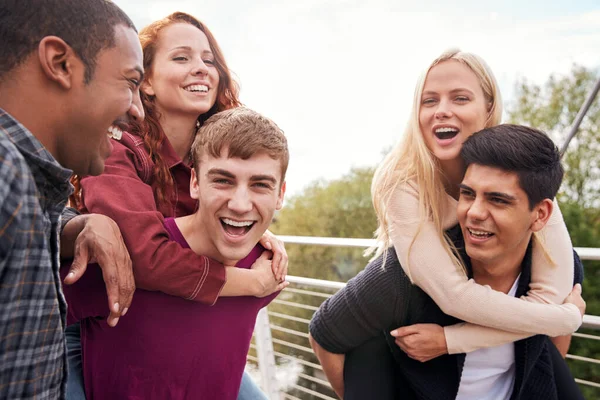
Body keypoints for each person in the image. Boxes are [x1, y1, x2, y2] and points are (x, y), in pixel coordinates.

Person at [60, 12, 284, 400]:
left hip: (169, 334)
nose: (200, 68)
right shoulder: (116, 149)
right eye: (182, 58)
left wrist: (255, 229)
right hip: (93, 332)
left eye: (208, 60)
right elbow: (143, 255)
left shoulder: (211, 162)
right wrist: (253, 282)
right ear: (144, 80)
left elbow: (209, 224)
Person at [309, 124, 585, 400]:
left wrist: (449, 340)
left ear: (540, 215)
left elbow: (550, 343)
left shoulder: (558, 269)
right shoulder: (402, 276)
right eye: (467, 194)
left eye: (498, 200)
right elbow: (324, 332)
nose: (474, 212)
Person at [364, 49, 582, 360]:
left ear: (489, 106)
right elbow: (454, 296)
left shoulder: (520, 164)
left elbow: (553, 296)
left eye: (460, 98)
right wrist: (569, 318)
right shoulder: (399, 182)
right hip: (394, 330)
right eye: (429, 101)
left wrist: (452, 340)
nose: (442, 110)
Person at [0, 1, 143, 398]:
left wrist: (73, 222)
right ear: (60, 63)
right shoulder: (5, 172)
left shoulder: (27, 184)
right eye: (131, 83)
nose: (139, 112)